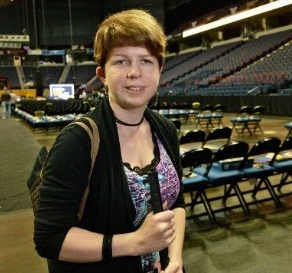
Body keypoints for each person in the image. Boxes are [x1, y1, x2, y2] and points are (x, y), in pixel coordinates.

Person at [34, 9, 185, 273]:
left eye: (146, 61)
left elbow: (177, 204)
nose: (135, 72)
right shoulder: (76, 142)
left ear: (160, 70)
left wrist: (175, 260)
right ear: (102, 74)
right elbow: (49, 238)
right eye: (121, 62)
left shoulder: (166, 130)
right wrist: (134, 243)